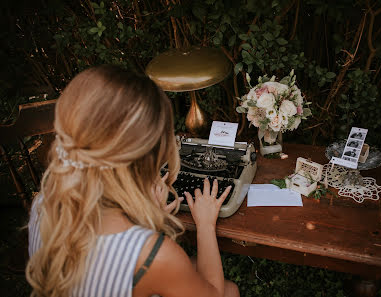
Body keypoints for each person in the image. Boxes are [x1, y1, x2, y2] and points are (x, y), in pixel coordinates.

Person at [26, 65, 240, 297]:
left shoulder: (42, 204)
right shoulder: (155, 256)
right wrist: (206, 226)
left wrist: (146, 223)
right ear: (149, 159)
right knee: (229, 290)